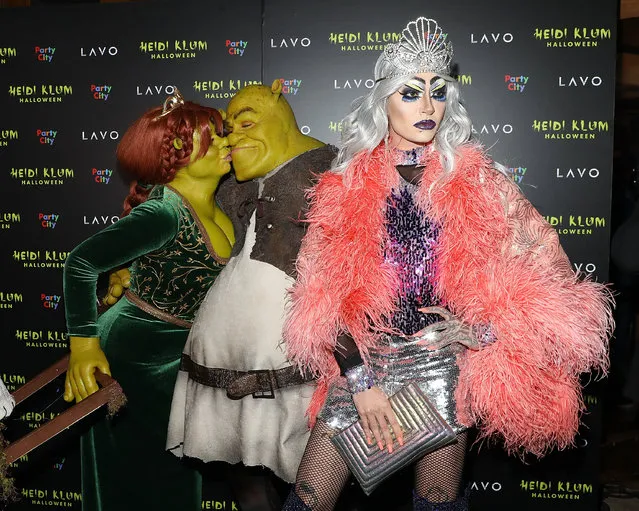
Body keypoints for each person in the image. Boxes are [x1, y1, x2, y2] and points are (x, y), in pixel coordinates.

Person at [282, 16, 614, 511]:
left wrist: (480, 331)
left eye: (438, 92)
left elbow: (546, 265)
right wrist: (361, 385)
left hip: (442, 367)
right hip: (363, 364)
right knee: (310, 496)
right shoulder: (345, 186)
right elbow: (319, 295)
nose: (428, 106)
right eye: (411, 92)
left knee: (437, 501)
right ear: (384, 101)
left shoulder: (479, 183)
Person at [167, 80, 337, 510]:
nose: (234, 137)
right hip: (222, 365)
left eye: (247, 122)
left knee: (309, 478)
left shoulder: (336, 176)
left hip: (291, 364)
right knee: (243, 473)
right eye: (228, 129)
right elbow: (182, 224)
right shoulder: (232, 185)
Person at [62, 92, 233, 511]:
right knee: (139, 482)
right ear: (178, 151)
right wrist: (84, 345)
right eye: (214, 136)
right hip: (133, 362)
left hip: (177, 363)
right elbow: (81, 263)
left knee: (175, 479)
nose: (227, 142)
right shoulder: (164, 214)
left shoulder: (227, 205)